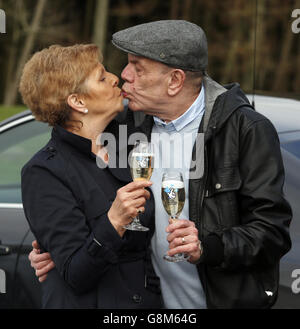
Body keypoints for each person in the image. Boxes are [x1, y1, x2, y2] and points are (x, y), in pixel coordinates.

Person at [29, 20, 292, 309]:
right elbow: (73, 183)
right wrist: (51, 248)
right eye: (126, 65)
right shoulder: (125, 127)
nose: (123, 75)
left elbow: (272, 232)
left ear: (175, 80)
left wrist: (208, 247)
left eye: (138, 68)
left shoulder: (244, 130)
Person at [20, 44, 162, 309]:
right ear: (77, 101)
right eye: (101, 76)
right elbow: (76, 273)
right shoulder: (44, 171)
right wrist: (114, 220)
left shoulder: (132, 143)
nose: (114, 77)